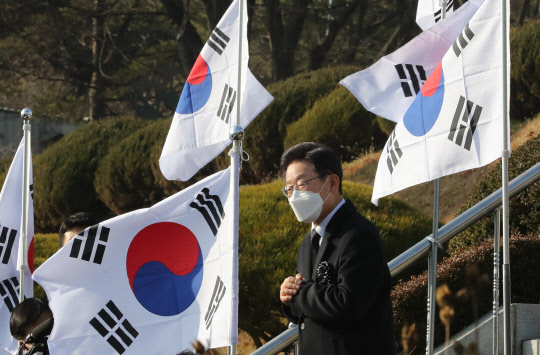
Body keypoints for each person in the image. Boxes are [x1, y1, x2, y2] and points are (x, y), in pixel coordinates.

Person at [278, 142, 396, 354]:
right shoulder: (308, 242)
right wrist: (289, 298)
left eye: (302, 183)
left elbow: (349, 303)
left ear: (332, 183)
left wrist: (299, 294)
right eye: (289, 188)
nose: (294, 195)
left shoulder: (358, 234)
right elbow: (310, 308)